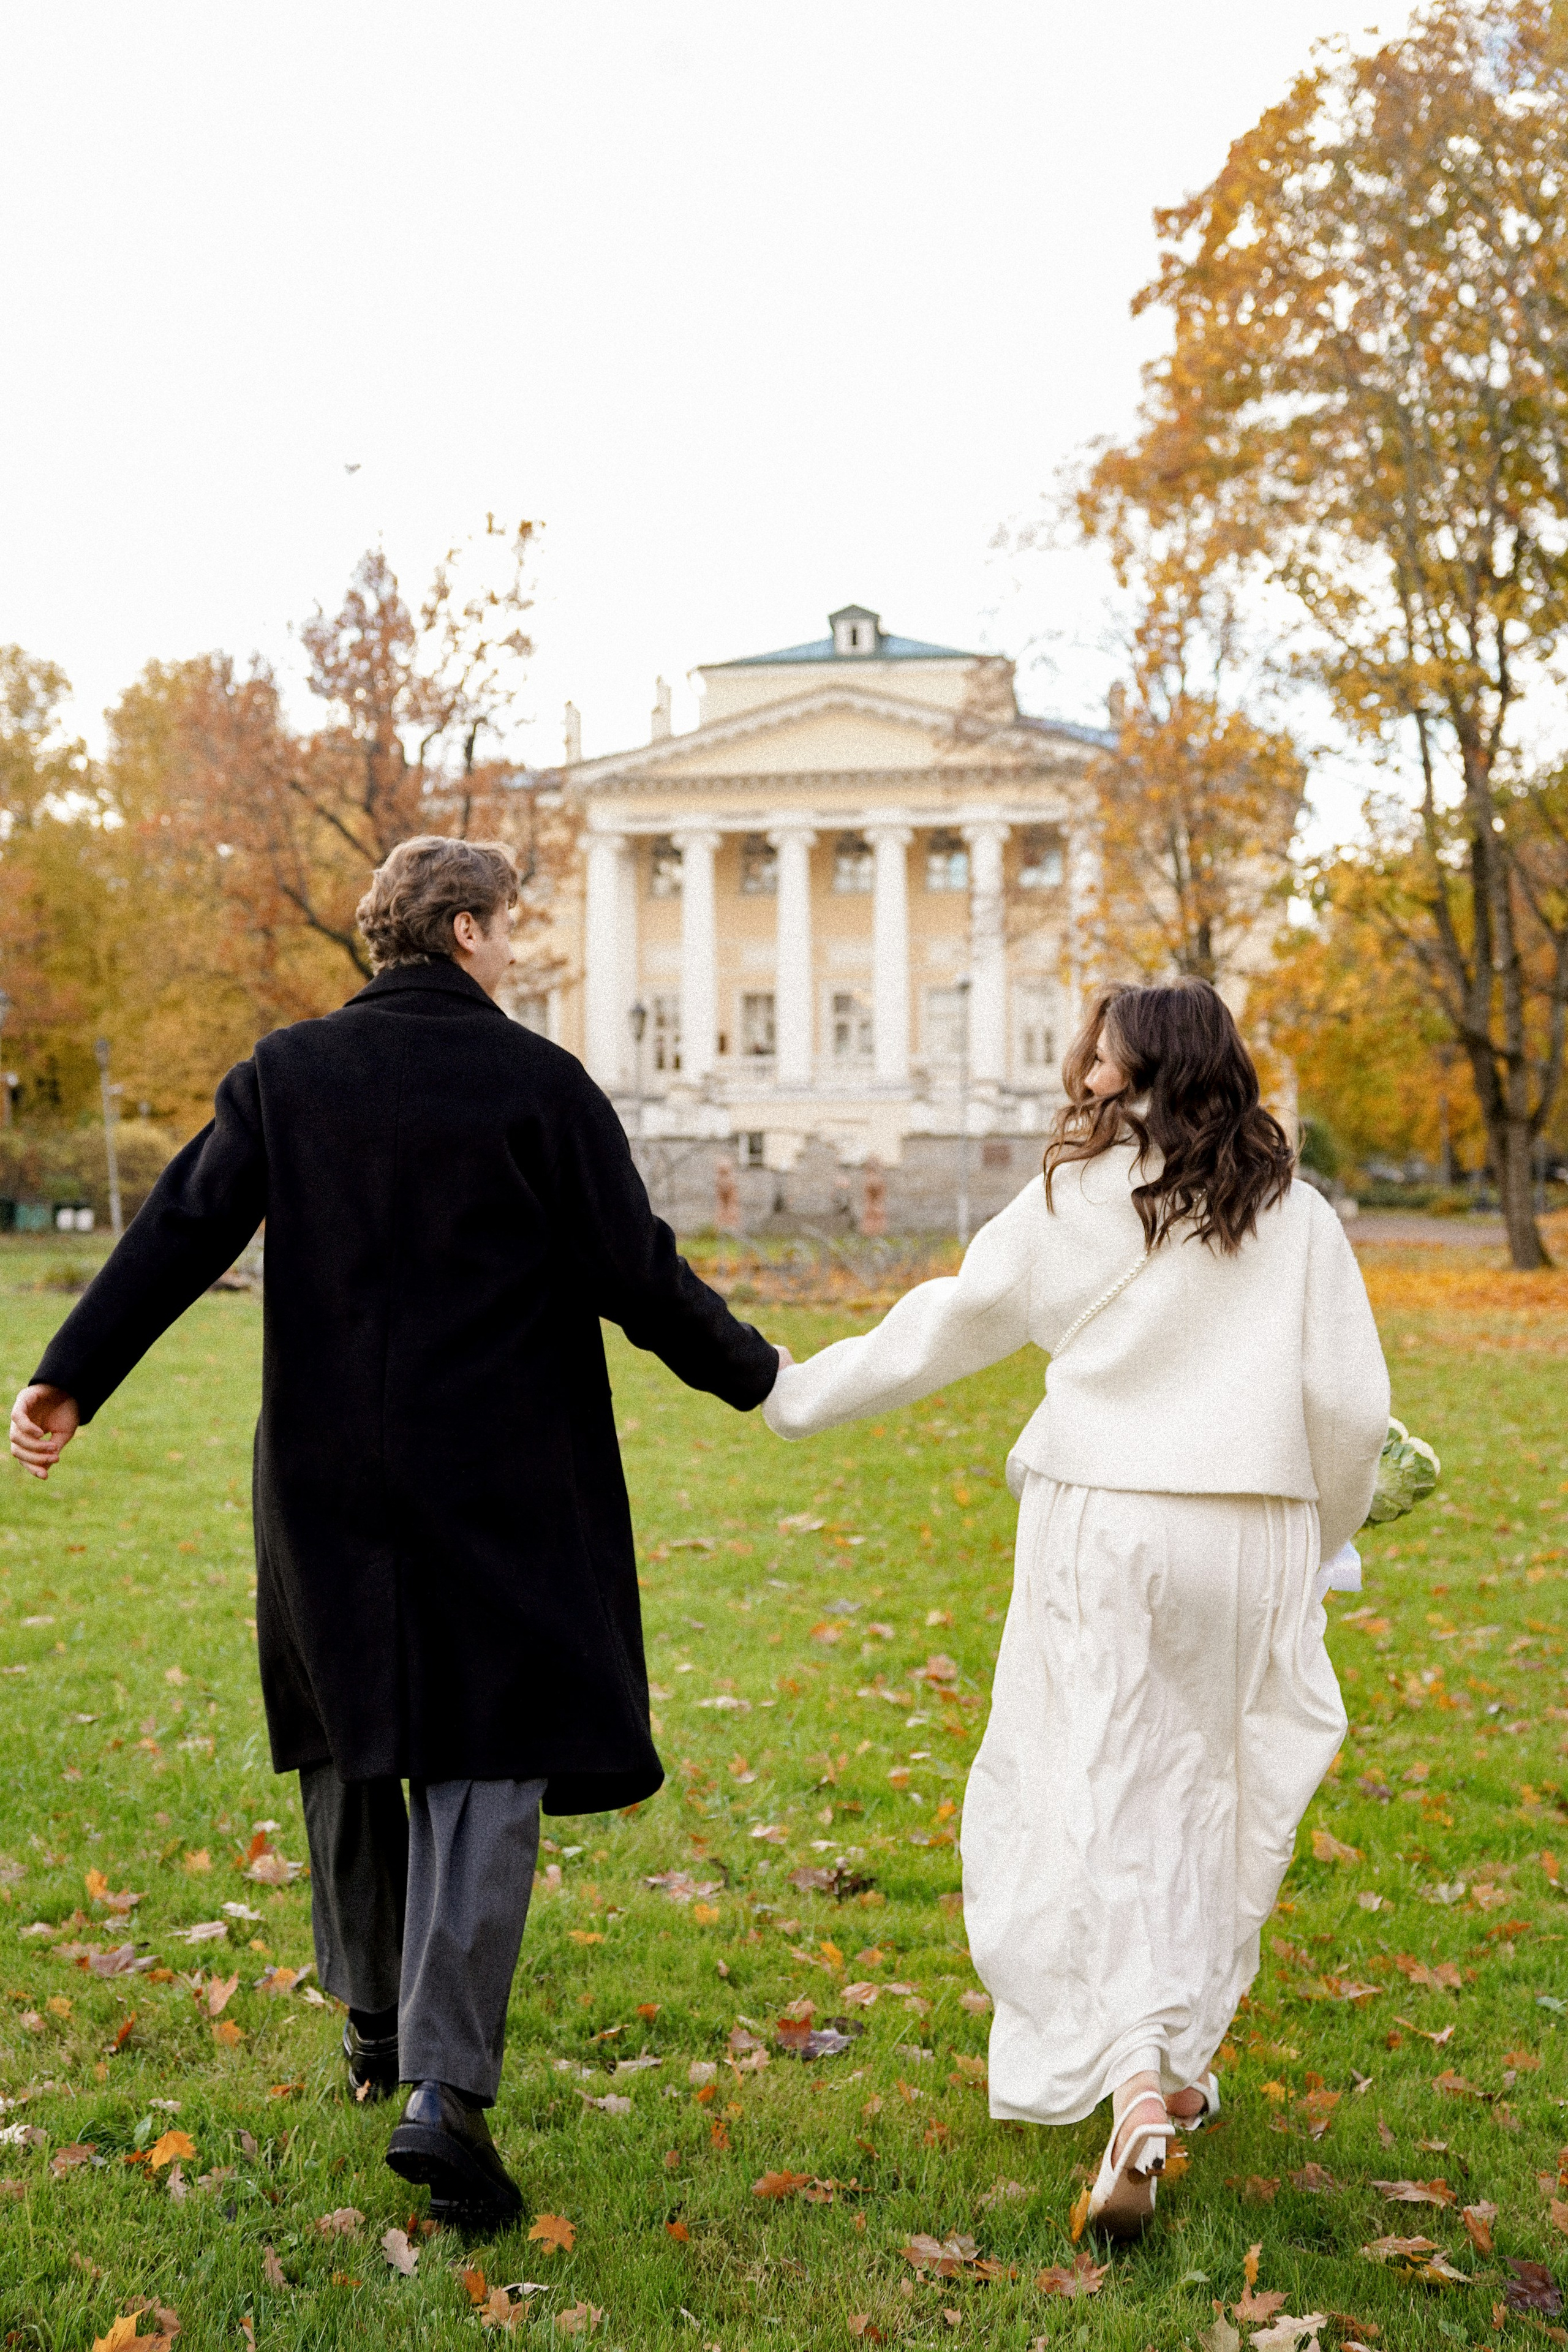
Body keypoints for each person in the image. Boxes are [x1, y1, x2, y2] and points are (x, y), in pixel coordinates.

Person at [9, 834, 783, 2229]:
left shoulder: (286, 1074)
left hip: (322, 1474)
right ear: (470, 930)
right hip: (500, 1475)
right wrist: (759, 1376)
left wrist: (71, 1373)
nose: (517, 948)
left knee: (346, 1740)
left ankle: (370, 2019)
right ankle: (442, 2091)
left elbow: (179, 1230)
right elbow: (636, 1273)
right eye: (511, 927)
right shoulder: (538, 1084)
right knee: (487, 1761)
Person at [763, 978, 1389, 2240]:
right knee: (1214, 1787)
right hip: (1251, 1526)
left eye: (1098, 1056)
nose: (1084, 1074)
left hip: (1104, 1519)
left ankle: (1132, 2079)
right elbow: (1348, 1409)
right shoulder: (1297, 1214)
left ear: (1123, 1070)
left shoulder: (1066, 1201)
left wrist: (789, 1392)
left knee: (1096, 1785)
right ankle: (1173, 2053)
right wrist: (1322, 1539)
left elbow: (941, 1329)